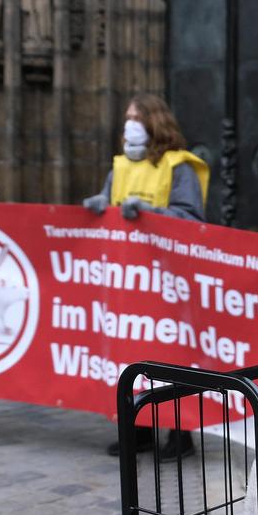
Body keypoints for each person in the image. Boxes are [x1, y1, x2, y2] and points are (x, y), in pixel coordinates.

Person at [84, 94, 209, 460]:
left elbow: (192, 220)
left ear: (154, 122)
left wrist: (152, 212)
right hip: (129, 277)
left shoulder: (178, 167)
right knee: (131, 352)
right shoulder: (119, 167)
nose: (130, 125)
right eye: (127, 118)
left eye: (136, 117)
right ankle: (138, 430)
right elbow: (110, 212)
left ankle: (180, 433)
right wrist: (98, 208)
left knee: (173, 354)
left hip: (169, 279)